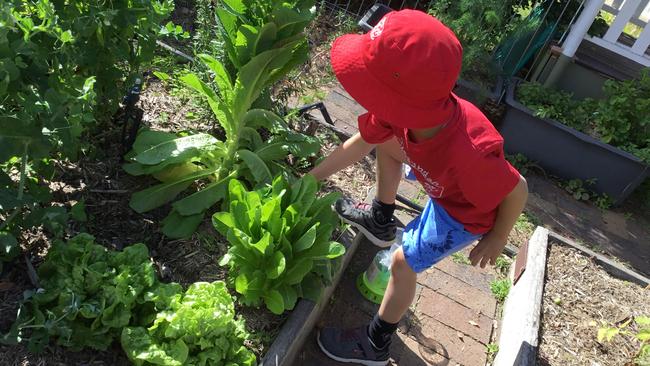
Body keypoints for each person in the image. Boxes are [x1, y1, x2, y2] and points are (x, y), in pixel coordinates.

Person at [307, 9, 529, 366]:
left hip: (462, 214)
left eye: (372, 86)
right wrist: (310, 179)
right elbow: (363, 140)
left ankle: (376, 342)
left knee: (402, 262)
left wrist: (498, 237)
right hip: (441, 183)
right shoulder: (404, 114)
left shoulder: (470, 152)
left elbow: (516, 189)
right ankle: (381, 217)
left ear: (401, 98)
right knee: (384, 142)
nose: (365, 96)